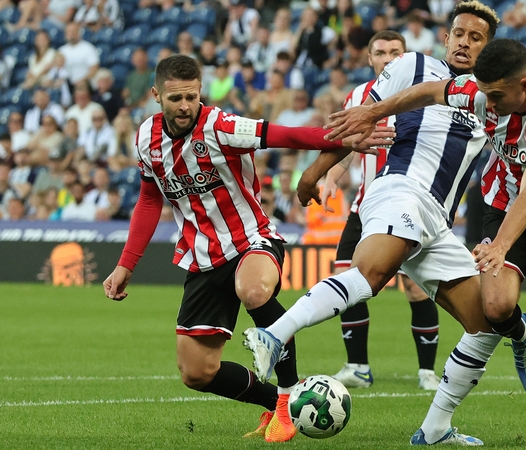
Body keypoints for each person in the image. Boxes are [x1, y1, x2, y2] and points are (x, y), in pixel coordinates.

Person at [242, 3, 526, 445]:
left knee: (484, 325)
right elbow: (359, 121)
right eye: (458, 33)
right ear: (445, 38)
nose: (463, 41)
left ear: (488, 48)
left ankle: (436, 428)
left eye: (475, 37)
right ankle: (273, 334)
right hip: (398, 190)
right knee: (372, 272)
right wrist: (313, 173)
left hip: (437, 222)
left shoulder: (493, 101)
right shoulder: (411, 65)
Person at [323, 38, 526, 447]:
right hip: (503, 203)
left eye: (496, 96)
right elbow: (427, 91)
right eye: (484, 94)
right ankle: (521, 333)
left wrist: (499, 247)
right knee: (495, 306)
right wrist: (373, 110)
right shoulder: (485, 92)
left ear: (524, 86)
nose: (487, 105)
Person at [101, 54, 391, 444]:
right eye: (175, 99)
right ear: (156, 95)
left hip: (253, 240)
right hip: (203, 257)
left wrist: (339, 137)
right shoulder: (144, 140)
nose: (185, 105)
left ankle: (288, 404)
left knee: (253, 290)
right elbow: (150, 200)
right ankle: (277, 401)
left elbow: (284, 135)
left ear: (200, 90)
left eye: (191, 96)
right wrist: (126, 265)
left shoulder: (220, 126)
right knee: (197, 372)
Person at [317, 30, 441, 391]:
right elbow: (349, 144)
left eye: (395, 52)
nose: (388, 58)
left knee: (417, 291)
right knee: (346, 281)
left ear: (406, 57)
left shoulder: (423, 95)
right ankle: (357, 367)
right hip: (364, 206)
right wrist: (331, 176)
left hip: (408, 207)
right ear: (369, 59)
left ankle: (427, 372)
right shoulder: (357, 96)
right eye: (381, 52)